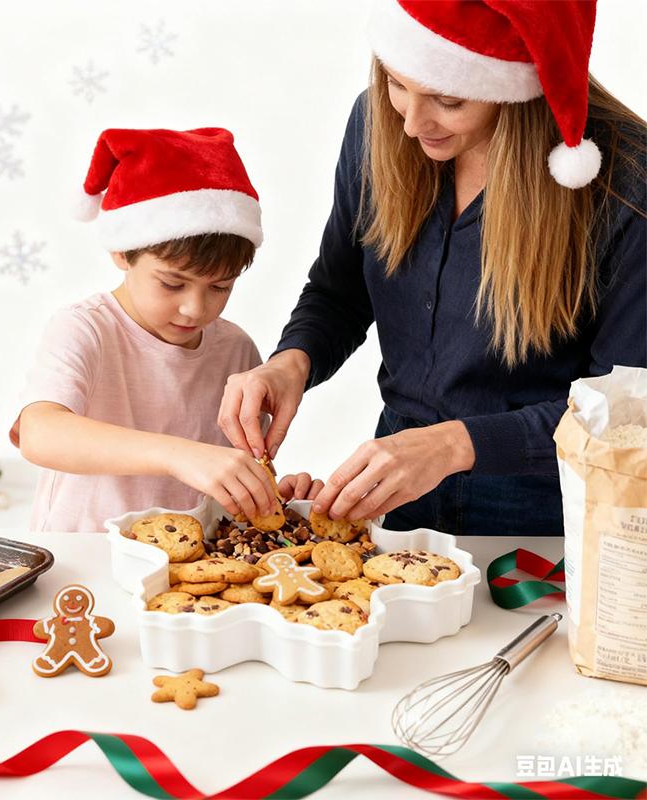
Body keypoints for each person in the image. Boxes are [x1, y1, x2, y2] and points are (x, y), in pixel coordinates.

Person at [219, 0, 646, 536]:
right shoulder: (378, 123)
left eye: (448, 99)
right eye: (397, 83)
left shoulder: (626, 185)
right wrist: (291, 363)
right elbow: (340, 290)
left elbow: (625, 410)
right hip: (400, 481)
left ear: (514, 84)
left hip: (548, 505)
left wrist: (454, 445)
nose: (412, 122)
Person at [11, 127, 316, 532]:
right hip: (87, 555)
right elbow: (40, 433)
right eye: (172, 283)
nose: (194, 308)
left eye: (220, 287)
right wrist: (179, 455)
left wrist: (275, 495)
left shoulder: (236, 350)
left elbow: (236, 475)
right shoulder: (85, 328)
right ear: (122, 251)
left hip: (191, 570)